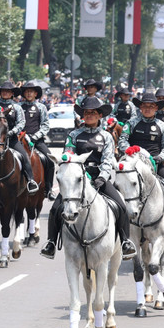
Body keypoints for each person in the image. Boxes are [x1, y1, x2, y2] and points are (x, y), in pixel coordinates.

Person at [40, 97, 136, 260]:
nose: (89, 115)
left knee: (120, 206)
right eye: (86, 113)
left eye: (93, 113)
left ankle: (126, 242)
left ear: (99, 115)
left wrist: (102, 178)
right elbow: (68, 157)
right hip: (77, 180)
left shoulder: (106, 136)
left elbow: (107, 161)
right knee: (55, 208)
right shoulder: (73, 135)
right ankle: (50, 242)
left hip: (99, 179)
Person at [119, 92, 164, 229]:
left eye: (151, 106)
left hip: (155, 164)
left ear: (156, 108)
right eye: (144, 106)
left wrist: (160, 157)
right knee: (117, 187)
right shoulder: (131, 123)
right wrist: (129, 151)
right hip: (134, 163)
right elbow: (122, 141)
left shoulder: (163, 126)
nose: (147, 109)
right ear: (140, 108)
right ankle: (119, 223)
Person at [18, 81, 56, 200]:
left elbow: (45, 125)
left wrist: (35, 137)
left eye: (31, 91)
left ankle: (48, 189)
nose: (29, 93)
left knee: (50, 161)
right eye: (26, 91)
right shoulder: (18, 107)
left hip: (36, 140)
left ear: (35, 93)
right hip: (19, 140)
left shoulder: (41, 107)